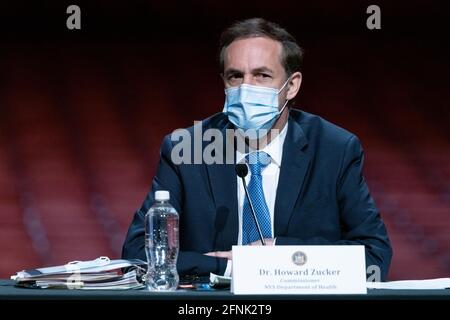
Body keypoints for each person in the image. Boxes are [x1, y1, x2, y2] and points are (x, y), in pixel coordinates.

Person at [122, 18, 392, 281]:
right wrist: (233, 266)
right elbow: (138, 255)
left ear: (292, 85)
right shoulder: (186, 148)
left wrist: (276, 257)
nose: (246, 87)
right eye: (236, 76)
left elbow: (373, 256)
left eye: (262, 75)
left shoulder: (335, 149)